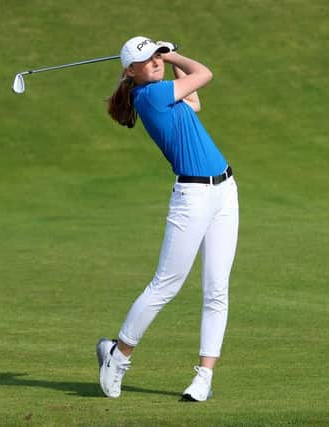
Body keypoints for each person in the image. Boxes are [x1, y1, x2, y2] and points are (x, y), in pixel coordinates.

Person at [96, 36, 239, 402]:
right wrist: (173, 52)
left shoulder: (163, 92)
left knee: (216, 288)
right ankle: (119, 355)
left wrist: (166, 58)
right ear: (131, 70)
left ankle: (204, 377)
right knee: (166, 285)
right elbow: (203, 73)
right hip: (192, 197)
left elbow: (195, 101)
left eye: (156, 56)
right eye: (147, 59)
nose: (155, 62)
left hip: (224, 190)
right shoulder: (153, 96)